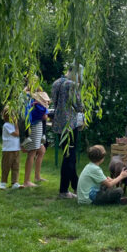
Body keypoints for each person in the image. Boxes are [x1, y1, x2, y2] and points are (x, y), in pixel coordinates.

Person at [51, 66, 84, 199]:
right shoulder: (72, 85)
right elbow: (78, 106)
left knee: (68, 155)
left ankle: (75, 186)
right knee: (69, 157)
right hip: (70, 124)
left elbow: (55, 101)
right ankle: (64, 190)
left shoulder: (56, 82)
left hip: (58, 124)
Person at [22, 92, 48, 188]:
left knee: (41, 150)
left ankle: (37, 177)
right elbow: (44, 116)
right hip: (34, 126)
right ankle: (26, 181)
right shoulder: (32, 100)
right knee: (32, 153)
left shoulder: (33, 99)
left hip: (38, 126)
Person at [0, 108, 22, 190]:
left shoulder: (13, 125)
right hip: (8, 150)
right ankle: (3, 183)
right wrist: (16, 125)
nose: (15, 117)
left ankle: (15, 182)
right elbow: (17, 134)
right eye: (13, 115)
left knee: (16, 166)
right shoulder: (7, 125)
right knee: (6, 166)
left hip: (16, 149)